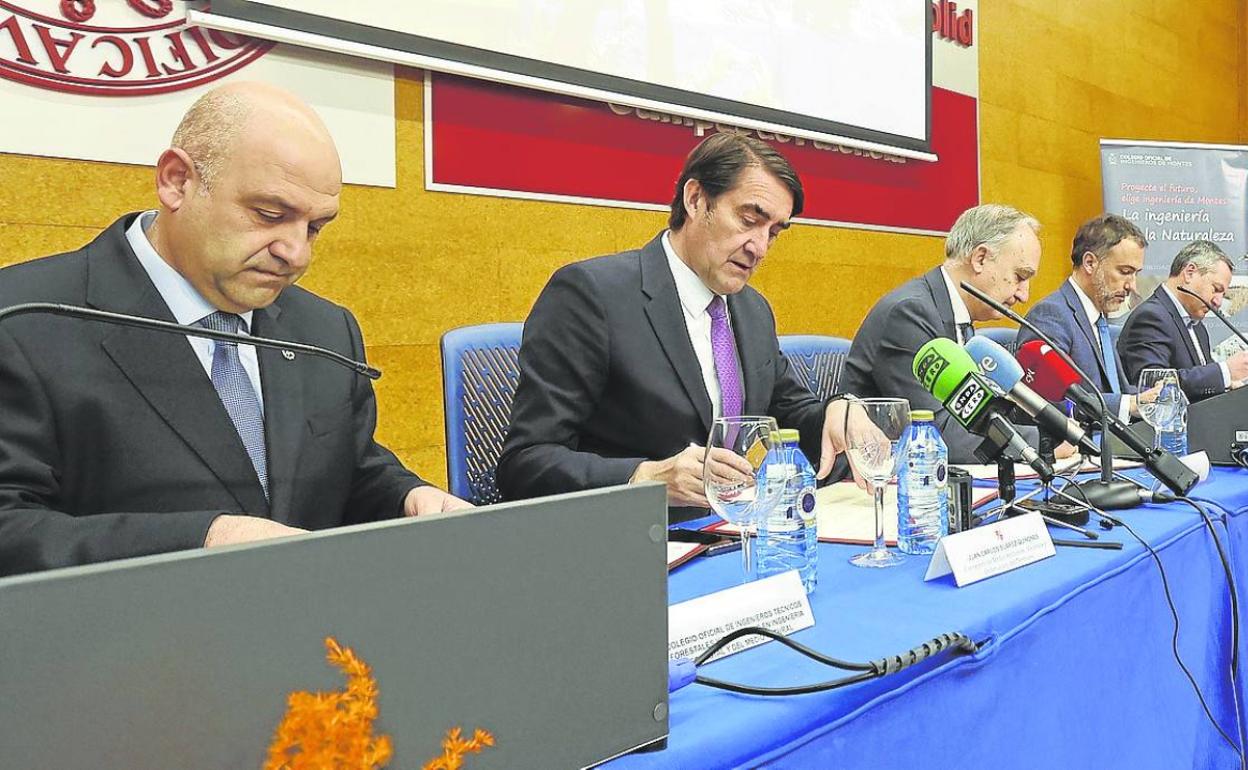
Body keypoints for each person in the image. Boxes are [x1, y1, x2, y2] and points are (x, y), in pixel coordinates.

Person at [0, 82, 469, 576]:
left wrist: (409, 499)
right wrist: (201, 540)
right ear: (177, 181)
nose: (296, 253)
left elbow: (350, 470)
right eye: (270, 215)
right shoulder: (25, 319)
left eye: (315, 228)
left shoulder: (326, 330)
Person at [497, 133, 864, 520]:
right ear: (695, 200)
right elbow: (525, 463)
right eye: (748, 219)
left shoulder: (752, 310)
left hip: (726, 534)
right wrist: (645, 477)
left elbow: (790, 411)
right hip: (631, 541)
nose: (759, 247)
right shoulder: (592, 296)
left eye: (773, 233)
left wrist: (837, 413)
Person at [840, 204, 1043, 463]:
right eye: (1020, 276)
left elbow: (979, 416)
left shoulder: (957, 317)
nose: (1024, 295)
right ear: (980, 258)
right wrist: (1043, 443)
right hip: (871, 486)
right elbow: (937, 436)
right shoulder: (910, 314)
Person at [1017, 214, 1144, 419]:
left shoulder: (1098, 319)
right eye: (1125, 272)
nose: (1132, 286)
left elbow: (1116, 389)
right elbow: (1048, 402)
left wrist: (1149, 399)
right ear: (1090, 263)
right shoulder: (1051, 315)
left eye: (1135, 273)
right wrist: (1128, 404)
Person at [1119, 240, 1248, 402]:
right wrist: (1225, 372)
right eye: (1216, 289)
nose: (1218, 302)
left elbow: (1200, 390)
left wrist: (1228, 386)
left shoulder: (1198, 329)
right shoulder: (1151, 317)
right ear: (1189, 273)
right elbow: (1152, 386)